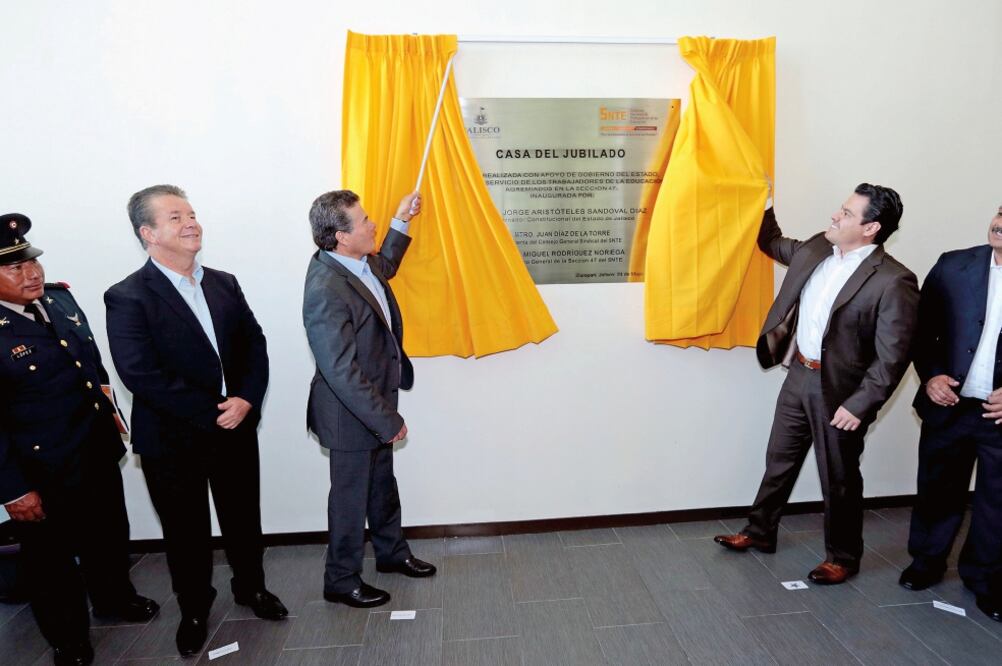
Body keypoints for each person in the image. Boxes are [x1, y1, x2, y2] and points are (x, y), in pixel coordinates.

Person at [104, 186, 287, 656]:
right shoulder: (127, 296)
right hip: (172, 439)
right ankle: (194, 609)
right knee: (185, 533)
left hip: (236, 426)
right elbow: (139, 373)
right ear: (148, 233)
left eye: (191, 213)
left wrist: (246, 398)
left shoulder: (222, 282)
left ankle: (252, 589)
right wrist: (215, 411)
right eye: (174, 217)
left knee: (244, 519)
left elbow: (255, 344)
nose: (191, 223)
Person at [713, 184, 919, 584]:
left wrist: (860, 405)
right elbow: (771, 241)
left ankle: (843, 556)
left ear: (871, 227)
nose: (834, 216)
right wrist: (763, 198)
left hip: (841, 393)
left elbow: (893, 357)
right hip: (799, 376)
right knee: (779, 460)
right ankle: (760, 532)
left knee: (839, 477)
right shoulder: (815, 249)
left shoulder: (894, 281)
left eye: (846, 213)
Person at [0, 213, 158, 666]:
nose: (31, 273)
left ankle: (113, 598)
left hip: (92, 447)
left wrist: (113, 427)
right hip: (39, 468)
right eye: (14, 268)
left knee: (107, 534)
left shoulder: (61, 302)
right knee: (50, 561)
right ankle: (67, 637)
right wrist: (11, 488)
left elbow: (93, 372)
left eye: (32, 263)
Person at [303, 189, 436, 608]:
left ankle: (392, 555)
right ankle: (341, 580)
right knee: (349, 499)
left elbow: (388, 263)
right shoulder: (326, 287)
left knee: (381, 486)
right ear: (341, 237)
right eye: (364, 222)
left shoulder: (360, 263)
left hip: (373, 403)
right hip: (349, 413)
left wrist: (401, 220)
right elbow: (339, 369)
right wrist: (387, 419)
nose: (371, 224)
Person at [899, 203, 1002, 623]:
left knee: (997, 502)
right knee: (938, 486)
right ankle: (926, 560)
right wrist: (932, 375)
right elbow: (922, 329)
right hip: (951, 404)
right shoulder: (954, 265)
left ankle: (987, 579)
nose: (999, 225)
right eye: (1000, 213)